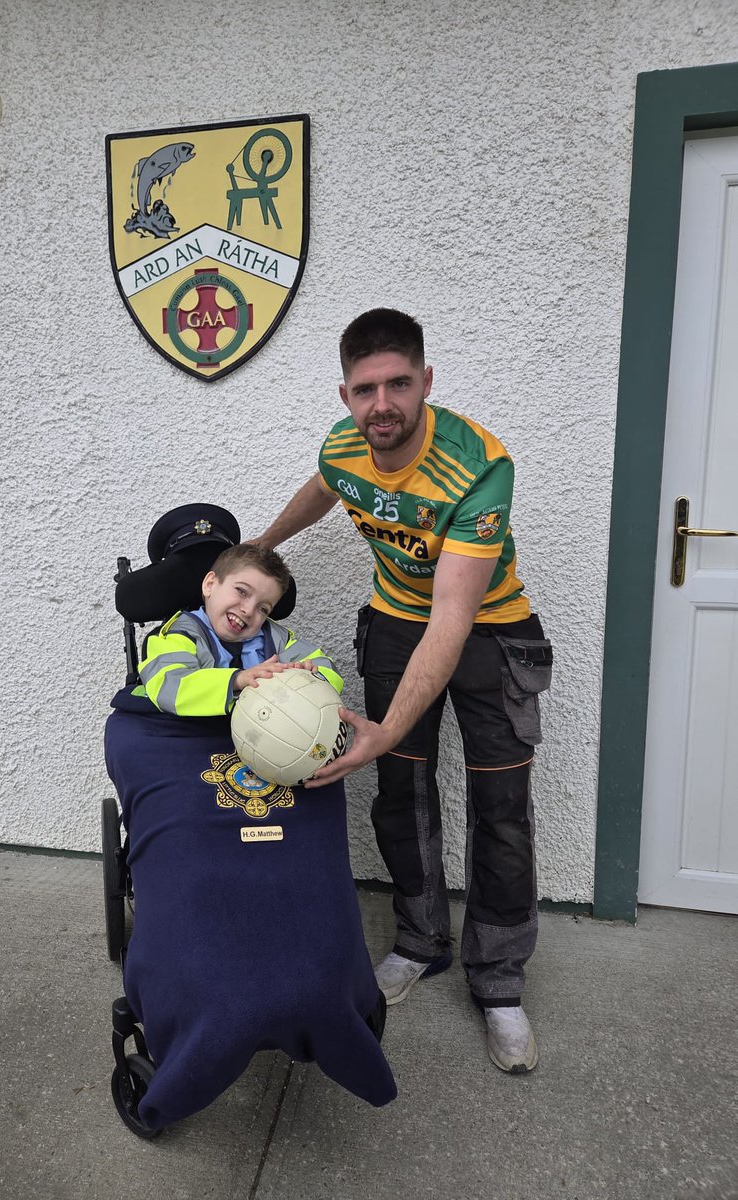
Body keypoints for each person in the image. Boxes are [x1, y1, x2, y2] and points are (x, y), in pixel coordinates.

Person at [255, 308, 552, 1074]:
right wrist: (261, 545)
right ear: (345, 394)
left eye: (397, 384)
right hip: (392, 618)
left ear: (426, 381)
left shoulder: (481, 464)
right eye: (364, 389)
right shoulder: (346, 443)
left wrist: (384, 725)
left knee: (502, 810)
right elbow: (324, 487)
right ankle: (421, 942)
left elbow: (452, 616)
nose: (381, 403)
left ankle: (499, 981)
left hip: (488, 628)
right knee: (401, 790)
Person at [139, 540, 343, 715]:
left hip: (264, 736)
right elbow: (170, 686)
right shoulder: (179, 635)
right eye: (242, 592)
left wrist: (309, 675)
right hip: (199, 736)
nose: (248, 610)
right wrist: (236, 680)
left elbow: (327, 668)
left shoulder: (277, 639)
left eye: (263, 608)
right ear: (210, 584)